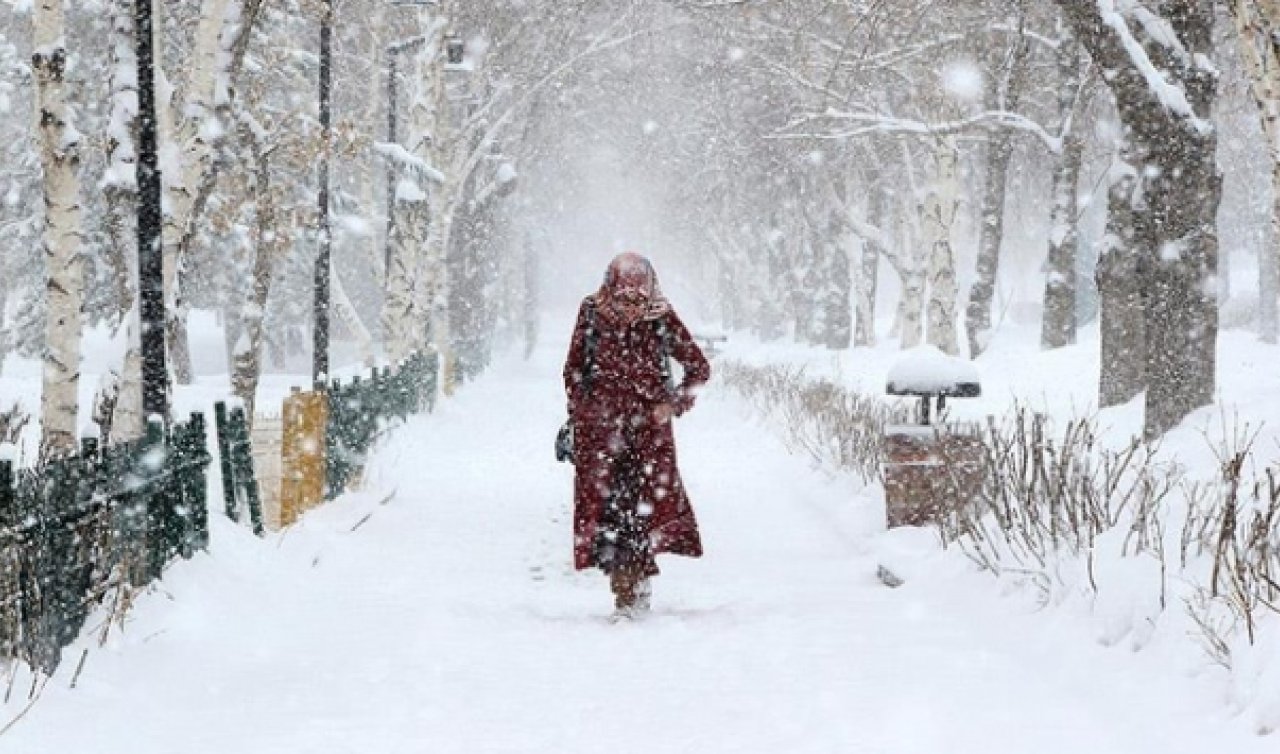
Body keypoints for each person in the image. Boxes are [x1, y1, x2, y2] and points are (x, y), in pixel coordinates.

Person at [562, 252, 711, 618]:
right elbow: (574, 369)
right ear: (610, 289)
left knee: (640, 513)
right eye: (623, 299)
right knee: (609, 514)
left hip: (649, 440)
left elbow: (698, 369)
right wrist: (585, 410)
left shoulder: (661, 318)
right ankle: (625, 587)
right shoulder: (592, 312)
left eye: (638, 299)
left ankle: (633, 590)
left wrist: (672, 405)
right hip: (601, 438)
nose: (630, 308)